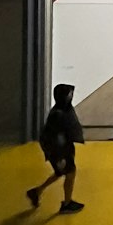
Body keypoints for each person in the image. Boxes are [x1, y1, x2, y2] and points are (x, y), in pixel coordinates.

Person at [27, 83, 85, 214]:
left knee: (61, 173)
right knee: (70, 173)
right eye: (69, 94)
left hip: (63, 150)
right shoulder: (58, 115)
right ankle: (67, 203)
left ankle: (37, 191)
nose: (71, 95)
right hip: (60, 152)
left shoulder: (63, 109)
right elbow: (54, 138)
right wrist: (60, 157)